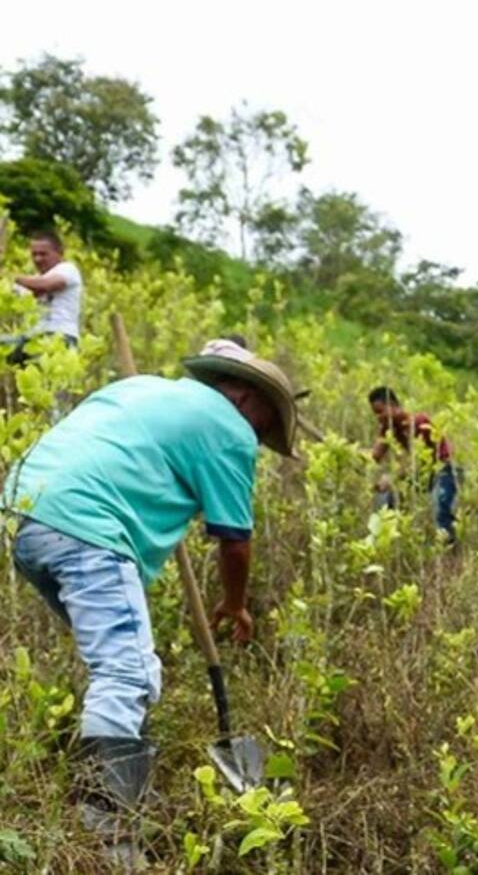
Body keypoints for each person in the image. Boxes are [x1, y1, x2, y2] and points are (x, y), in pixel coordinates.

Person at [5, 338, 296, 838]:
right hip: (89, 529)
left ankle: (122, 777)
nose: (257, 437)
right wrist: (233, 604)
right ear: (247, 399)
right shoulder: (229, 429)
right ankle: (107, 823)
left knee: (120, 665)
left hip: (25, 518)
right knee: (128, 672)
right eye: (263, 426)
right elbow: (234, 542)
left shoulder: (144, 389)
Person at [368, 385, 457, 546]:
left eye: (380, 411)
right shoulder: (389, 428)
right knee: (386, 495)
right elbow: (374, 456)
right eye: (375, 414)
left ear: (392, 405)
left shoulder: (418, 422)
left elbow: (420, 460)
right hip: (421, 472)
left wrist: (392, 477)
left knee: (440, 509)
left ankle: (448, 553)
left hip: (443, 469)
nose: (378, 417)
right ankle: (385, 539)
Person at [3, 230, 83, 365]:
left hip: (60, 337)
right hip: (33, 338)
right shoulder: (33, 280)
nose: (37, 259)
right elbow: (11, 293)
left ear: (59, 253)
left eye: (43, 254)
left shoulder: (67, 269)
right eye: (34, 254)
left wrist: (12, 277)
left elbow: (46, 286)